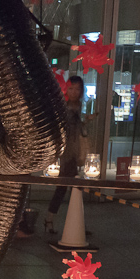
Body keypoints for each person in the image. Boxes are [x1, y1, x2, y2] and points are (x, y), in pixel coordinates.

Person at [44, 75, 88, 234]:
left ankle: (58, 221)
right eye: (71, 88)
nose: (74, 92)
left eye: (77, 89)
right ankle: (52, 220)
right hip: (66, 153)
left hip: (75, 151)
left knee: (71, 188)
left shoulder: (79, 106)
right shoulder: (62, 107)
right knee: (67, 187)